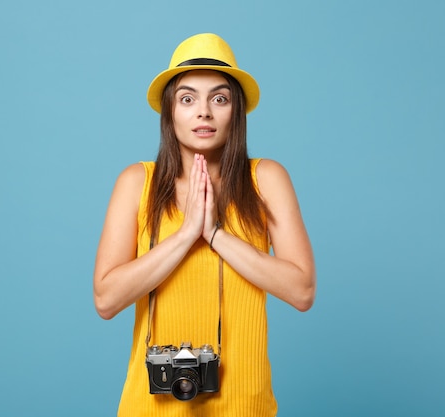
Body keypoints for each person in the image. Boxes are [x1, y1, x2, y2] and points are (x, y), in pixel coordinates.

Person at [93, 33, 316, 417]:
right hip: (152, 405)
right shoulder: (136, 183)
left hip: (244, 404)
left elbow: (302, 291)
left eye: (219, 98)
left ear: (236, 110)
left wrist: (214, 234)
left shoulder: (266, 178)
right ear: (170, 111)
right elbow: (106, 299)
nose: (204, 113)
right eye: (187, 98)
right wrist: (184, 235)